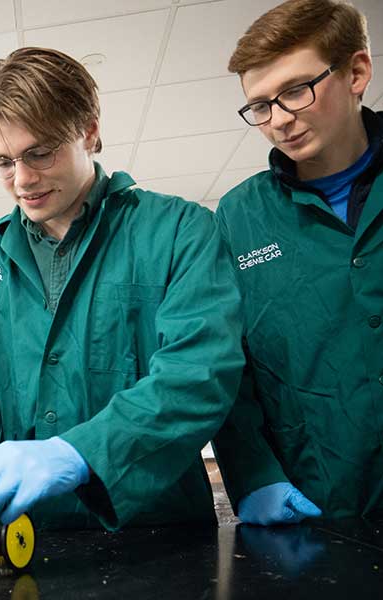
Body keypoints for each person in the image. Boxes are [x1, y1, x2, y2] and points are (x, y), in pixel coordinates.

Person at [0, 47, 245, 531]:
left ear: (89, 131)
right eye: (3, 162)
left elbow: (196, 374)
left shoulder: (179, 230)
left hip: (156, 529)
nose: (22, 180)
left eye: (39, 153)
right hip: (22, 535)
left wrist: (81, 452)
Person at [212, 0, 382, 525]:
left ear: (356, 72)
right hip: (316, 504)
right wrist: (256, 476)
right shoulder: (239, 217)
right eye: (259, 106)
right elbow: (227, 369)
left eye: (294, 91)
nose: (278, 120)